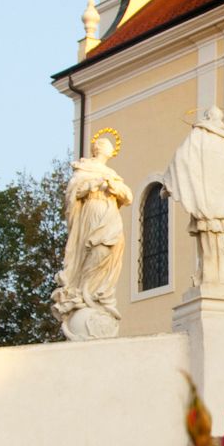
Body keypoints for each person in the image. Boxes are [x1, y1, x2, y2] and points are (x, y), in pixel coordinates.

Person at [52, 135, 133, 339]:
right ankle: (86, 294)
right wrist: (93, 185)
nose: (104, 148)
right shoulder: (84, 169)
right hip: (92, 211)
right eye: (101, 145)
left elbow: (128, 197)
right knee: (95, 249)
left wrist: (114, 186)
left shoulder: (112, 173)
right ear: (96, 149)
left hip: (110, 214)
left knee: (110, 250)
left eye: (107, 146)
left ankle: (99, 295)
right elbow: (73, 192)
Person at [162, 105, 224, 287]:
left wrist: (168, 182)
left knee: (209, 241)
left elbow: (182, 158)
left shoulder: (199, 135)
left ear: (206, 117)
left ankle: (210, 276)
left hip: (207, 203)